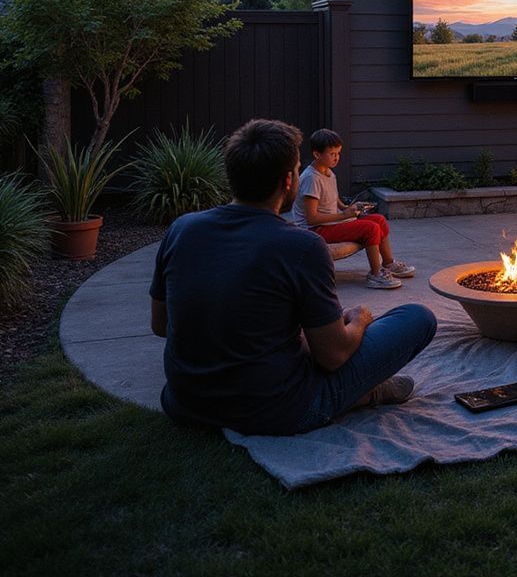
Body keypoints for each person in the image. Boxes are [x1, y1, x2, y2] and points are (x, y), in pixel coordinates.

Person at [149, 118, 437, 436]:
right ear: (288, 180)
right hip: (276, 411)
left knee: (305, 336)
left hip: (185, 403)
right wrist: (360, 319)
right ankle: (365, 392)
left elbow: (161, 326)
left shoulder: (182, 229)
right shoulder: (302, 245)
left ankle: (360, 387)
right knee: (417, 317)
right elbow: (333, 356)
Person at [290, 127, 415, 290]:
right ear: (317, 154)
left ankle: (389, 263)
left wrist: (351, 208)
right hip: (315, 229)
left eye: (338, 153)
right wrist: (343, 215)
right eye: (332, 154)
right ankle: (375, 274)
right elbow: (312, 218)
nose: (337, 158)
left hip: (329, 223)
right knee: (370, 228)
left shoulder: (328, 172)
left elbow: (335, 200)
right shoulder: (311, 178)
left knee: (379, 220)